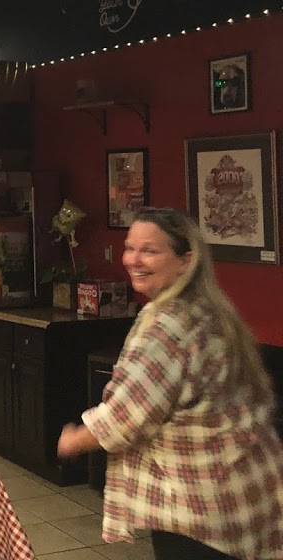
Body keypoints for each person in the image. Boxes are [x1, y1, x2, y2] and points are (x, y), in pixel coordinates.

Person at [57, 207, 283, 560]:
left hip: (199, 506)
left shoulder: (165, 324)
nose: (133, 260)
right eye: (130, 248)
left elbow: (126, 417)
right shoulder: (209, 307)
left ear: (185, 261)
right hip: (246, 490)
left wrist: (73, 440)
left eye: (150, 250)